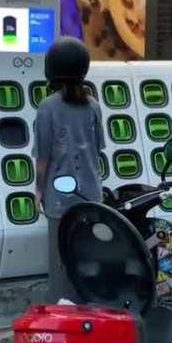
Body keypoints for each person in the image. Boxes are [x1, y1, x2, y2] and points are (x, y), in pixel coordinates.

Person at [33, 36, 105, 303]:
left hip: (59, 200)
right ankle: (88, 311)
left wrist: (38, 192)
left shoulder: (47, 108)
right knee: (86, 259)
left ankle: (63, 316)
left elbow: (43, 157)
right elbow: (97, 150)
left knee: (61, 264)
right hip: (91, 198)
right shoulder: (94, 106)